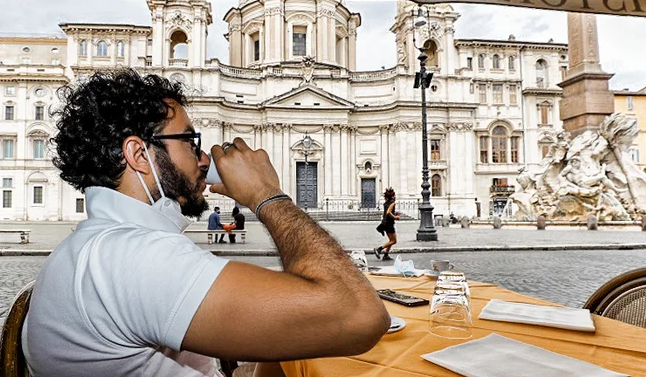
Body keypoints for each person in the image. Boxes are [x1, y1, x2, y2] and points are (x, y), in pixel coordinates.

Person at [23, 69, 389, 377]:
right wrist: (267, 195)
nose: (202, 158)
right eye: (189, 141)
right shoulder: (134, 258)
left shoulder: (102, 246)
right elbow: (360, 315)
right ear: (138, 154)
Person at [374, 188, 400, 261]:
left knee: (390, 240)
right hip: (389, 224)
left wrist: (394, 213)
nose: (395, 197)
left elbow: (386, 213)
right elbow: (388, 212)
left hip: (385, 223)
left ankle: (386, 255)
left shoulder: (386, 203)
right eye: (394, 195)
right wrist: (395, 217)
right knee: (394, 241)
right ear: (392, 196)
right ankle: (378, 249)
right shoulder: (392, 203)